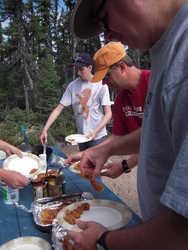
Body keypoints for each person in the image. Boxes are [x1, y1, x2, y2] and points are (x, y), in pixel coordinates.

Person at [65, 1, 188, 250]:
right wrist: (106, 149)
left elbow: (182, 232)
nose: (107, 34)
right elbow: (159, 130)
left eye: (104, 18)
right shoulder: (166, 50)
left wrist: (103, 238)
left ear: (121, 66)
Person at [65, 41, 150, 178]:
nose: (104, 83)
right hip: (149, 172)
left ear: (121, 67)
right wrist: (85, 154)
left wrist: (123, 163)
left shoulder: (154, 82)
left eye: (106, 77)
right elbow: (116, 138)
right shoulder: (121, 99)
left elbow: (155, 136)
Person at [40, 52, 112, 151]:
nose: (78, 73)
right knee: (83, 165)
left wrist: (95, 132)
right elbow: (58, 109)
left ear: (90, 68)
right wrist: (45, 129)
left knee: (98, 165)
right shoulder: (72, 86)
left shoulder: (101, 85)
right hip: (81, 137)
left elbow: (108, 114)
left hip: (98, 137)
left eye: (81, 69)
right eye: (77, 69)